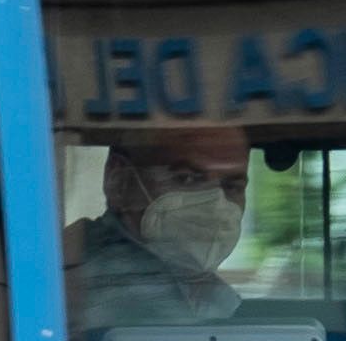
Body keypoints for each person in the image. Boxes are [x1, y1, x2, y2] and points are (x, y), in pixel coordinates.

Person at [66, 122, 257, 327]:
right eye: (187, 179)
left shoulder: (207, 293)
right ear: (119, 180)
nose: (217, 206)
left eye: (233, 187)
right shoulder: (90, 282)